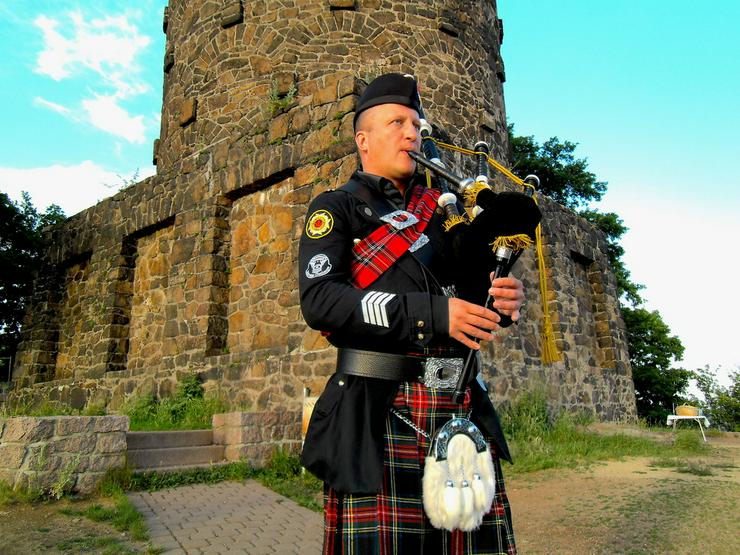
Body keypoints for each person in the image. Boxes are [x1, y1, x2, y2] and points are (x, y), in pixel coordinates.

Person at [299, 73, 524, 554]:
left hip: (457, 410)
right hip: (377, 414)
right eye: (397, 122)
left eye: (416, 125)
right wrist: (433, 314)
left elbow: (471, 297)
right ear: (363, 140)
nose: (411, 134)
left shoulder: (446, 213)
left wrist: (500, 302)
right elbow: (321, 301)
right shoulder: (336, 209)